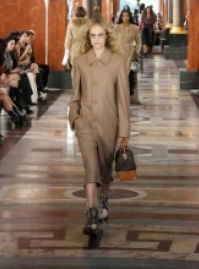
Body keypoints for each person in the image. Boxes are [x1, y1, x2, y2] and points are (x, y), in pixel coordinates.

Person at [68, 22, 131, 237]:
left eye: (100, 35)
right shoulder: (80, 62)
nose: (96, 39)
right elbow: (75, 95)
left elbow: (123, 99)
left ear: (106, 37)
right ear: (88, 38)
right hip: (85, 123)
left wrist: (124, 132)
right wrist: (74, 118)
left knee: (105, 170)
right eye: (93, 35)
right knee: (91, 169)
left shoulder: (116, 62)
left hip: (108, 124)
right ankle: (91, 213)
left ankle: (103, 198)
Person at [113, 8, 142, 94]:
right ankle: (118, 92)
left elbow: (138, 42)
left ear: (130, 17)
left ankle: (128, 93)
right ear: (121, 17)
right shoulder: (117, 27)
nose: (125, 18)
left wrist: (136, 52)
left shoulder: (135, 28)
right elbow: (112, 40)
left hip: (130, 53)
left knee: (129, 73)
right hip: (119, 53)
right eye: (123, 16)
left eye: (127, 16)